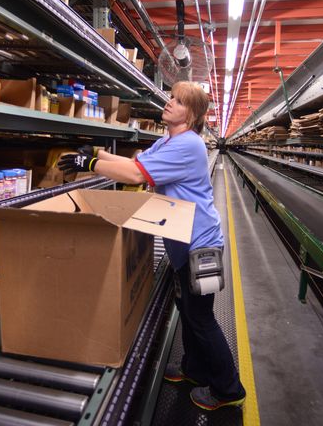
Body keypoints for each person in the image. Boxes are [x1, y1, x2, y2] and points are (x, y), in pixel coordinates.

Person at [58, 81, 246, 410]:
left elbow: (135, 175)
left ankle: (228, 389)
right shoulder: (168, 140)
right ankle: (194, 369)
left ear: (193, 114)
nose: (169, 103)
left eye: (178, 101)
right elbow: (134, 162)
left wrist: (88, 166)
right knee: (188, 312)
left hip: (201, 245)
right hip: (182, 243)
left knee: (201, 317)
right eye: (171, 97)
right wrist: (95, 154)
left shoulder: (188, 145)